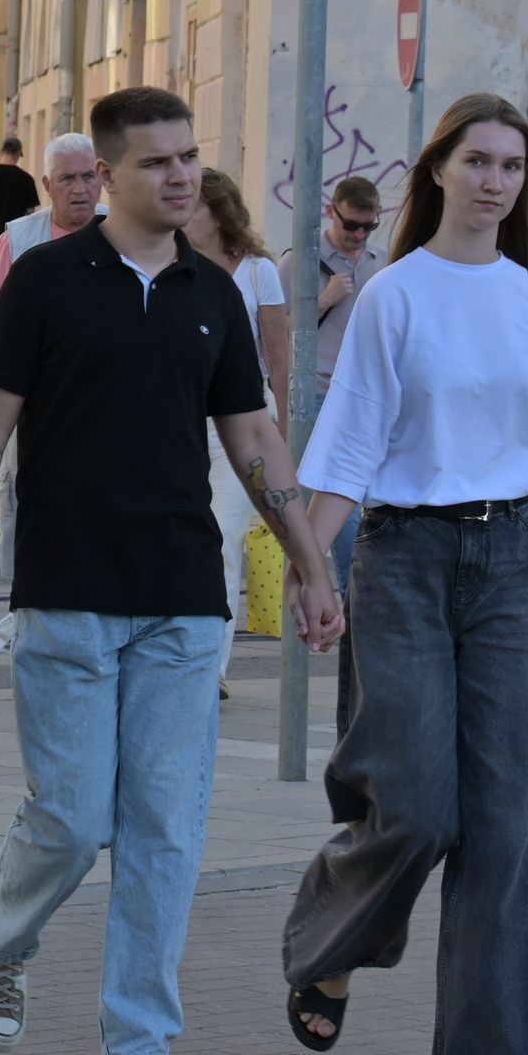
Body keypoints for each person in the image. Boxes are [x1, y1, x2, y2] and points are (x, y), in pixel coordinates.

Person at [0, 85, 338, 1055]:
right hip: (67, 589)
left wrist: (306, 559)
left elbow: (252, 437)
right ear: (104, 175)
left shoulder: (215, 291)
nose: (180, 174)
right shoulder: (49, 281)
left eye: (189, 156)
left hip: (181, 602)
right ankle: (0, 932)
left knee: (164, 829)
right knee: (70, 819)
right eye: (156, 161)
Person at [282, 95, 528, 1055]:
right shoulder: (396, 295)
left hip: (516, 564)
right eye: (476, 161)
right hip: (406, 558)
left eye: (512, 167)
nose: (492, 182)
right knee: (416, 802)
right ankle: (326, 951)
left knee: (510, 828)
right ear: (436, 172)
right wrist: (311, 566)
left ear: (526, 184)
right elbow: (347, 441)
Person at [185, 168, 289, 688]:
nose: (182, 212)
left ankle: (212, 667)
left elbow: (281, 361)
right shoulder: (168, 263)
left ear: (219, 213)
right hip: (180, 425)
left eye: (194, 205)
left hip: (241, 429)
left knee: (221, 541)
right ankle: (179, 651)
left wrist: (287, 440)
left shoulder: (256, 272)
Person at [303, 175, 388, 591]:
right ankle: (354, 593)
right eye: (351, 224)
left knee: (377, 502)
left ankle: (370, 592)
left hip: (373, 399)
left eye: (367, 226)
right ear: (330, 211)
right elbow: (273, 335)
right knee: (341, 505)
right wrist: (324, 299)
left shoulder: (384, 262)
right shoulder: (300, 262)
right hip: (321, 395)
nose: (358, 235)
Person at [0, 132, 100, 359]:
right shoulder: (16, 240)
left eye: (89, 176)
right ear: (47, 185)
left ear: (103, 178)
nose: (79, 189)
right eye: (67, 178)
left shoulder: (124, 234)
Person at [0, 134, 41, 257]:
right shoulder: (26, 179)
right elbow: (31, 215)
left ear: (1, 152)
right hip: (14, 240)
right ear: (19, 153)